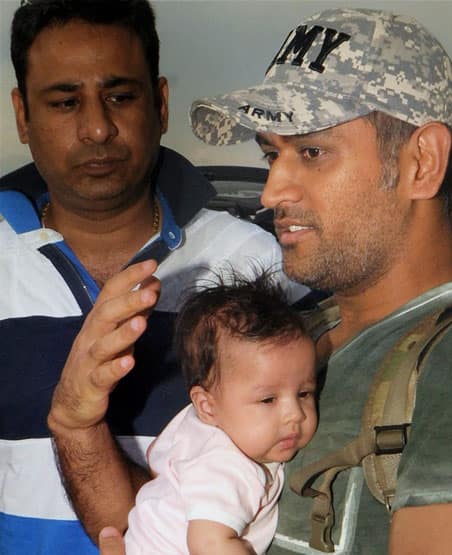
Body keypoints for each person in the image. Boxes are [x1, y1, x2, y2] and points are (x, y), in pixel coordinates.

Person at [51, 8, 452, 554]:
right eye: (272, 155)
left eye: (312, 152)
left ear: (423, 161)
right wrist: (76, 424)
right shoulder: (295, 336)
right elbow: (172, 522)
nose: (273, 191)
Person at [0, 1, 307, 553]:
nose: (96, 128)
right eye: (65, 101)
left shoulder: (266, 270)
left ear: (160, 103)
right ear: (23, 114)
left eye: (120, 97)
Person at [125, 273, 317, 554]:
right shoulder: (227, 466)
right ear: (207, 405)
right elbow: (210, 544)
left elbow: (158, 457)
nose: (295, 415)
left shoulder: (193, 423)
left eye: (304, 393)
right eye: (267, 400)